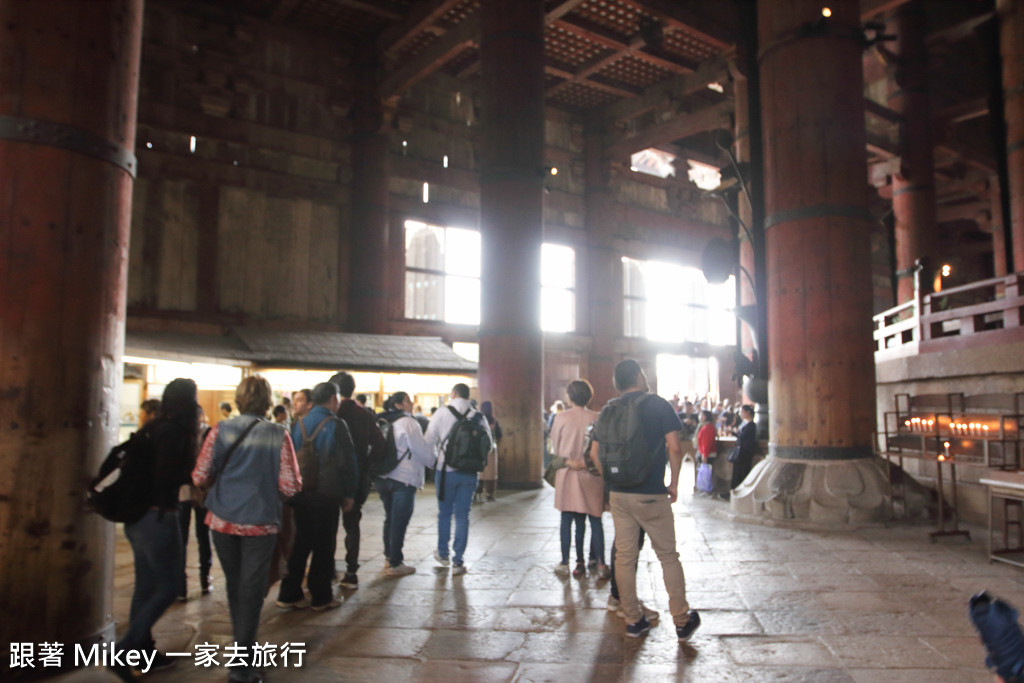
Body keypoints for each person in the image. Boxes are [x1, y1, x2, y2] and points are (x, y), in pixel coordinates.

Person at [192, 376, 301, 683]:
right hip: (260, 523)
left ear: (239, 399)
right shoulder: (278, 434)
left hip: (221, 520)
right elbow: (291, 485)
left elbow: (200, 474)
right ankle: (241, 666)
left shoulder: (220, 430)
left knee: (236, 584)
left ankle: (243, 653)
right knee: (252, 591)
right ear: (268, 402)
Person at [592, 359, 700, 643]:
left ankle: (633, 620)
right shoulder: (658, 405)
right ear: (640, 377)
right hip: (651, 493)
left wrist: (613, 481)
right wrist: (674, 483)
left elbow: (593, 454)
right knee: (668, 556)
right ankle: (681, 620)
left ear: (618, 384)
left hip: (619, 495)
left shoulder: (608, 410)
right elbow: (675, 448)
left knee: (624, 557)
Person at [109, 379, 199, 682]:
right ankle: (125, 650)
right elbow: (165, 477)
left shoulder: (153, 427)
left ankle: (141, 652)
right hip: (157, 515)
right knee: (170, 585)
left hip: (136, 518)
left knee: (145, 586)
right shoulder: (175, 433)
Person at [276, 382, 357, 611]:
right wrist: (349, 493)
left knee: (300, 542)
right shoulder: (336, 424)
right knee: (323, 545)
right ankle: (321, 596)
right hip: (326, 494)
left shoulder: (298, 424)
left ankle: (289, 593)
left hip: (301, 494)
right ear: (332, 398)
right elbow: (347, 462)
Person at [426, 383, 492, 575]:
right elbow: (488, 444)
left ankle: (443, 553)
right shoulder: (478, 416)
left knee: (444, 513)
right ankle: (458, 561)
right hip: (470, 472)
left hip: (445, 470)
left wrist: (433, 462)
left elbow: (428, 440)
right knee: (463, 515)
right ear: (467, 395)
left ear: (453, 394)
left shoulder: (441, 413)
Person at [329, 371, 386, 589]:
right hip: (358, 475)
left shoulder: (331, 413)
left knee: (328, 525)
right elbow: (380, 445)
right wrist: (366, 465)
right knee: (352, 525)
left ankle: (328, 568)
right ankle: (351, 571)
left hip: (332, 476)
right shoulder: (364, 414)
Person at [549, 380, 609, 579]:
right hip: (592, 474)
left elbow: (555, 448)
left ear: (569, 396)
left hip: (567, 473)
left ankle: (568, 562)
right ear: (589, 397)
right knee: (596, 520)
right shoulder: (597, 418)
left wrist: (569, 458)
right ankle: (601, 564)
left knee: (567, 520)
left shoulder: (561, 418)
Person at [374, 391, 435, 577]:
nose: (411, 403)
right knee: (399, 521)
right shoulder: (408, 423)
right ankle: (395, 562)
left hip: (382, 476)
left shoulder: (381, 420)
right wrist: (434, 463)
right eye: (408, 400)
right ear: (399, 405)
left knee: (390, 518)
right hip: (403, 478)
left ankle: (388, 557)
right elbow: (420, 450)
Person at [176, 407, 213, 601]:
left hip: (184, 491)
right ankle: (205, 579)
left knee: (181, 538)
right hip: (203, 492)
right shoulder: (208, 433)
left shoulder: (180, 434)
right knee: (203, 535)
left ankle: (181, 586)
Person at [728, 404, 757, 496]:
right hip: (741, 453)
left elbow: (742, 437)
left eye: (742, 412)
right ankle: (733, 491)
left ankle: (740, 492)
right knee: (737, 473)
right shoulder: (744, 424)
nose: (741, 414)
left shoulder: (751, 425)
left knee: (742, 473)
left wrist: (733, 433)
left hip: (745, 453)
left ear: (748, 412)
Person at [478, 401, 502, 502]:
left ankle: (477, 492)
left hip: (479, 449)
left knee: (479, 471)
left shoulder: (478, 420)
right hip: (492, 449)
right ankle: (490, 494)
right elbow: (499, 435)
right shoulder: (494, 420)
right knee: (491, 473)